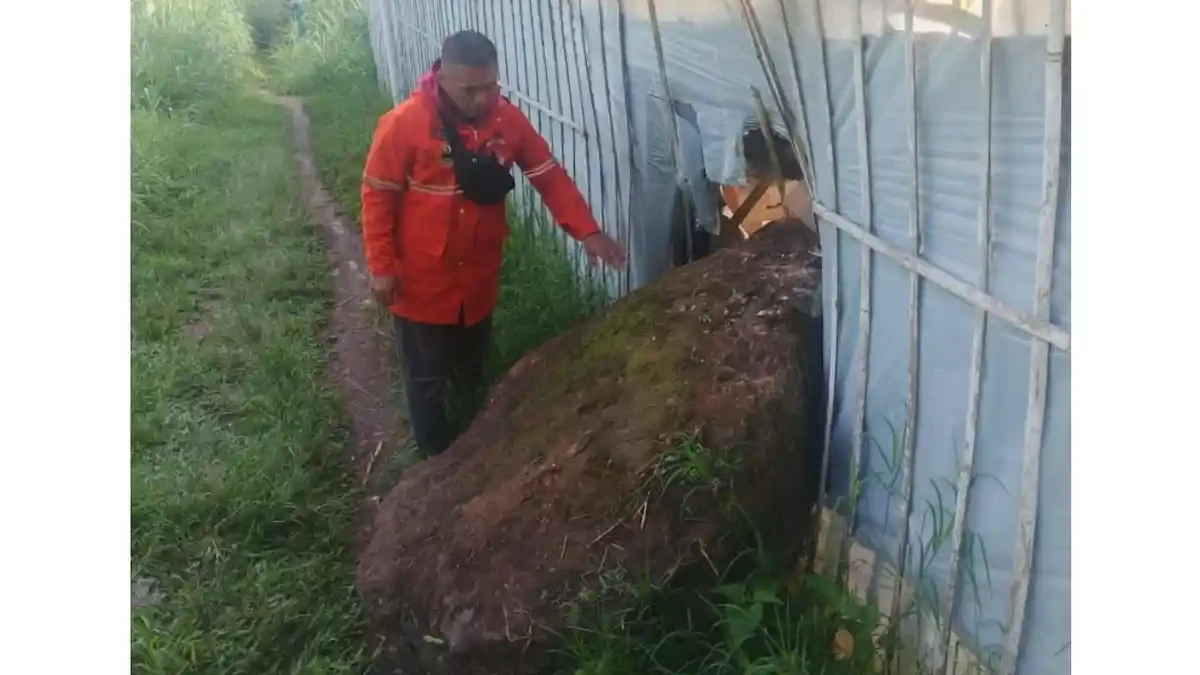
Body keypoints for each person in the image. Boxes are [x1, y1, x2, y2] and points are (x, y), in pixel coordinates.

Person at [360, 30, 627, 458]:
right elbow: (378, 196)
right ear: (442, 78)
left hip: (478, 280)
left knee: (473, 368)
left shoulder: (507, 121)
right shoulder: (404, 125)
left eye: (491, 87)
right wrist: (382, 266)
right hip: (422, 284)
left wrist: (587, 232)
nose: (483, 99)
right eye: (470, 90)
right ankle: (433, 464)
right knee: (427, 378)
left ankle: (473, 450)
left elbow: (548, 175)